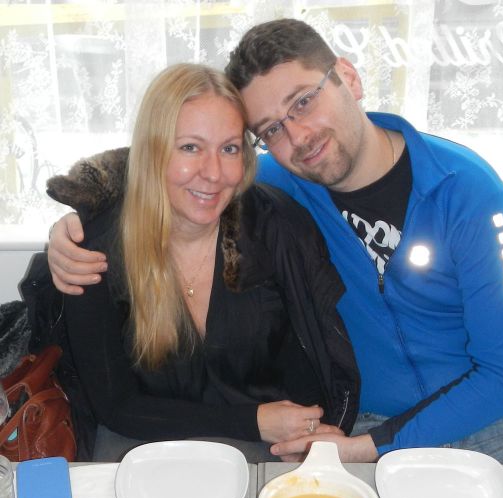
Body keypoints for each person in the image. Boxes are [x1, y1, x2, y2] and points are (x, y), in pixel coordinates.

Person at [45, 20, 503, 466]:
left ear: (348, 78)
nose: (298, 137)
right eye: (271, 130)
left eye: (303, 102)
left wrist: (367, 448)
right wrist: (81, 213)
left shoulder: (467, 191)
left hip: (498, 418)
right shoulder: (284, 178)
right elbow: (175, 161)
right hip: (369, 416)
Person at [36, 62, 359, 462]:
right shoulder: (93, 250)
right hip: (139, 446)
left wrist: (306, 437)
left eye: (229, 148)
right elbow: (115, 406)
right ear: (153, 152)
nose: (213, 173)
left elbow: (315, 369)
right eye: (190, 147)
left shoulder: (274, 230)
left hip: (265, 449)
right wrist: (252, 421)